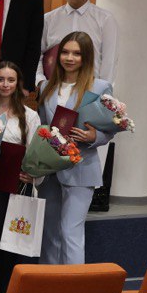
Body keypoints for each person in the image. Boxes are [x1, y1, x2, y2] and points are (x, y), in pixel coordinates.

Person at [37, 32, 112, 265]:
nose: (70, 58)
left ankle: (73, 285)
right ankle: (48, 281)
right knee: (49, 231)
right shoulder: (46, 86)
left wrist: (94, 136)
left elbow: (111, 127)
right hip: (50, 168)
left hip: (81, 166)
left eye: (77, 53)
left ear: (86, 57)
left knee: (71, 232)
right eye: (66, 52)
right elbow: (42, 127)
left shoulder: (100, 87)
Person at [0, 61, 41, 293]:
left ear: (18, 84)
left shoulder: (30, 115)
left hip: (17, 187)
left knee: (13, 242)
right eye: (0, 79)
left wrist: (33, 176)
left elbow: (36, 152)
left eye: (11, 80)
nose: (5, 84)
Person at [37, 0, 117, 85]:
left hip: (90, 89)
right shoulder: (48, 19)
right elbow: (36, 54)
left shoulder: (105, 19)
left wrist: (101, 90)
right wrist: (40, 81)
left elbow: (109, 61)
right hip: (54, 87)